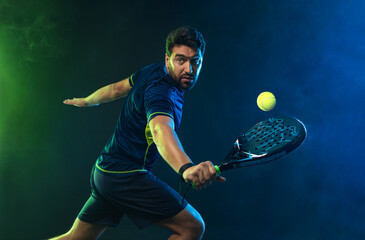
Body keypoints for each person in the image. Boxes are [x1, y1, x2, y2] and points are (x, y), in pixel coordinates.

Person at [50, 26, 226, 240]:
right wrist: (186, 168)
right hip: (125, 175)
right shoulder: (162, 92)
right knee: (192, 226)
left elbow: (116, 89)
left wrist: (88, 100)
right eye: (181, 60)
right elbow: (161, 130)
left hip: (105, 171)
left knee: (74, 238)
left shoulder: (152, 71)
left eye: (195, 61)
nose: (189, 69)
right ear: (168, 58)